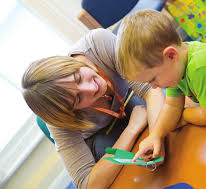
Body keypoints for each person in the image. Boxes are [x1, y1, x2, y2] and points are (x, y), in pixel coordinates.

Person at [116, 9, 206, 176]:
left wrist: (184, 117)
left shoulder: (201, 66)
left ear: (171, 55)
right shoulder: (177, 67)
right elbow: (172, 105)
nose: (154, 87)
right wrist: (156, 135)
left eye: (153, 79)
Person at [21, 28, 165, 189]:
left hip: (132, 100)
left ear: (71, 63)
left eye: (78, 77)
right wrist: (132, 129)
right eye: (79, 98)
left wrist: (156, 136)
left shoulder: (98, 44)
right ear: (69, 111)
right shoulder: (60, 118)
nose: (90, 88)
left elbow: (149, 90)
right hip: (105, 136)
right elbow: (87, 184)